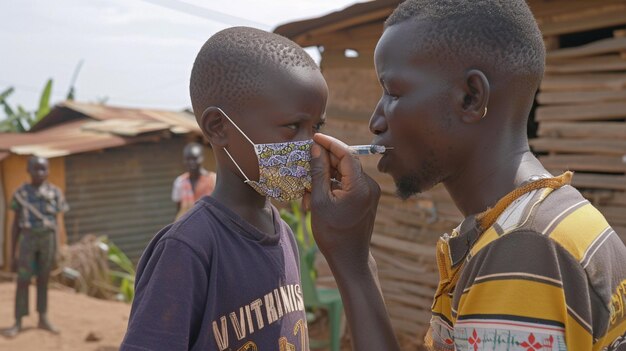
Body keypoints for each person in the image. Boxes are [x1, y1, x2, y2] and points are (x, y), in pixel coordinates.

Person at [307, 1, 626, 350]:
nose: (375, 122)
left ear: (471, 97)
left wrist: (354, 266)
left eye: (393, 93)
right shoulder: (547, 220)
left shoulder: (523, 251)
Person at [120, 26, 327, 351]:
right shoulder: (189, 248)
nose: (310, 145)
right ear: (219, 128)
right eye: (292, 127)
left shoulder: (284, 234)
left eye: (316, 128)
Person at [4, 156, 68, 337]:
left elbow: (57, 225)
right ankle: (18, 320)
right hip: (27, 241)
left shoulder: (55, 193)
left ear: (48, 171)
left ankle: (43, 317)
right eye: (36, 169)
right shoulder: (21, 194)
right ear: (28, 170)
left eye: (43, 169)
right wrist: (12, 253)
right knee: (23, 281)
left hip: (47, 241)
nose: (40, 173)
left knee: (43, 280)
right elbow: (15, 225)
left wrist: (57, 249)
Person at [172, 142, 216, 219]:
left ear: (202, 158)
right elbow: (179, 209)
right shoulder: (180, 182)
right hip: (188, 227)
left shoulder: (213, 179)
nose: (191, 163)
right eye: (188, 159)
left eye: (195, 159)